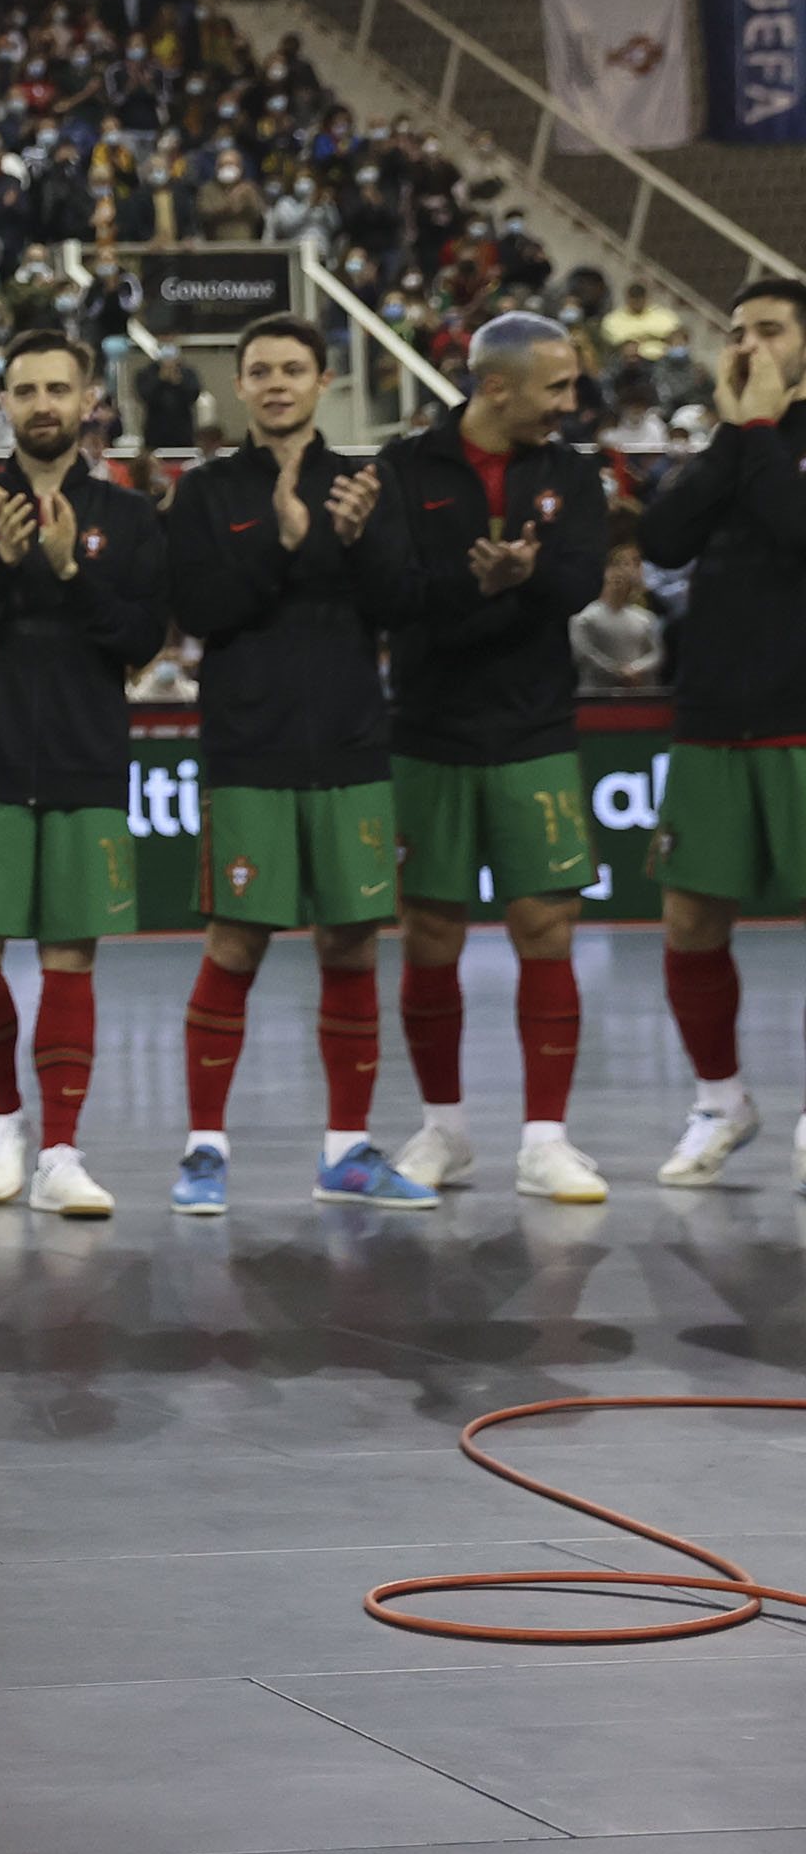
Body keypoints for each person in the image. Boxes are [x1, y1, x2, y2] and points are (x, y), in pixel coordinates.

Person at [158, 314, 431, 1218]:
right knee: (234, 944)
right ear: (239, 387)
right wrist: (278, 544)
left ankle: (346, 1151)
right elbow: (198, 610)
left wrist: (357, 541)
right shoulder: (204, 492)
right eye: (261, 371)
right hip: (249, 751)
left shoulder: (368, 483)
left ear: (322, 383)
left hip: (351, 747)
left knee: (351, 942)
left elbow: (402, 605)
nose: (277, 384)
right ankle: (204, 1149)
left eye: (294, 370)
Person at [0, 329, 168, 1217]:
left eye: (59, 388)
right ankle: (4, 1119)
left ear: (89, 399)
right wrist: (4, 560)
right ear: (5, 405)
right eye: (26, 391)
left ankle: (62, 1152)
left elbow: (141, 642)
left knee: (71, 959)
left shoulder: (131, 516)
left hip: (86, 757)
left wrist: (68, 570)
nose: (43, 405)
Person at [379, 312, 612, 1201]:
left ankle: (545, 1139)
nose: (571, 402)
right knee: (429, 937)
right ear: (495, 385)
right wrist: (487, 587)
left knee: (545, 930)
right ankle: (444, 1130)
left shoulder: (573, 473)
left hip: (533, 733)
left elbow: (580, 580)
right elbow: (398, 598)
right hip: (428, 733)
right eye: (556, 386)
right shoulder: (406, 469)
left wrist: (521, 581)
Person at [636, 279, 806, 1191]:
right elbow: (661, 540)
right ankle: (721, 1099)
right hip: (711, 715)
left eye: (771, 331)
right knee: (691, 919)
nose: (748, 347)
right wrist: (740, 436)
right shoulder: (729, 442)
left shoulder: (769, 444)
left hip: (803, 720)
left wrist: (763, 435)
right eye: (736, 332)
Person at [569, 545, 665, 693]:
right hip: (597, 698)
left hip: (640, 696)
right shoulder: (584, 619)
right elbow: (584, 655)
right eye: (613, 579)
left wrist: (634, 669)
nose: (617, 582)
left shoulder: (645, 618)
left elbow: (657, 653)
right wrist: (619, 673)